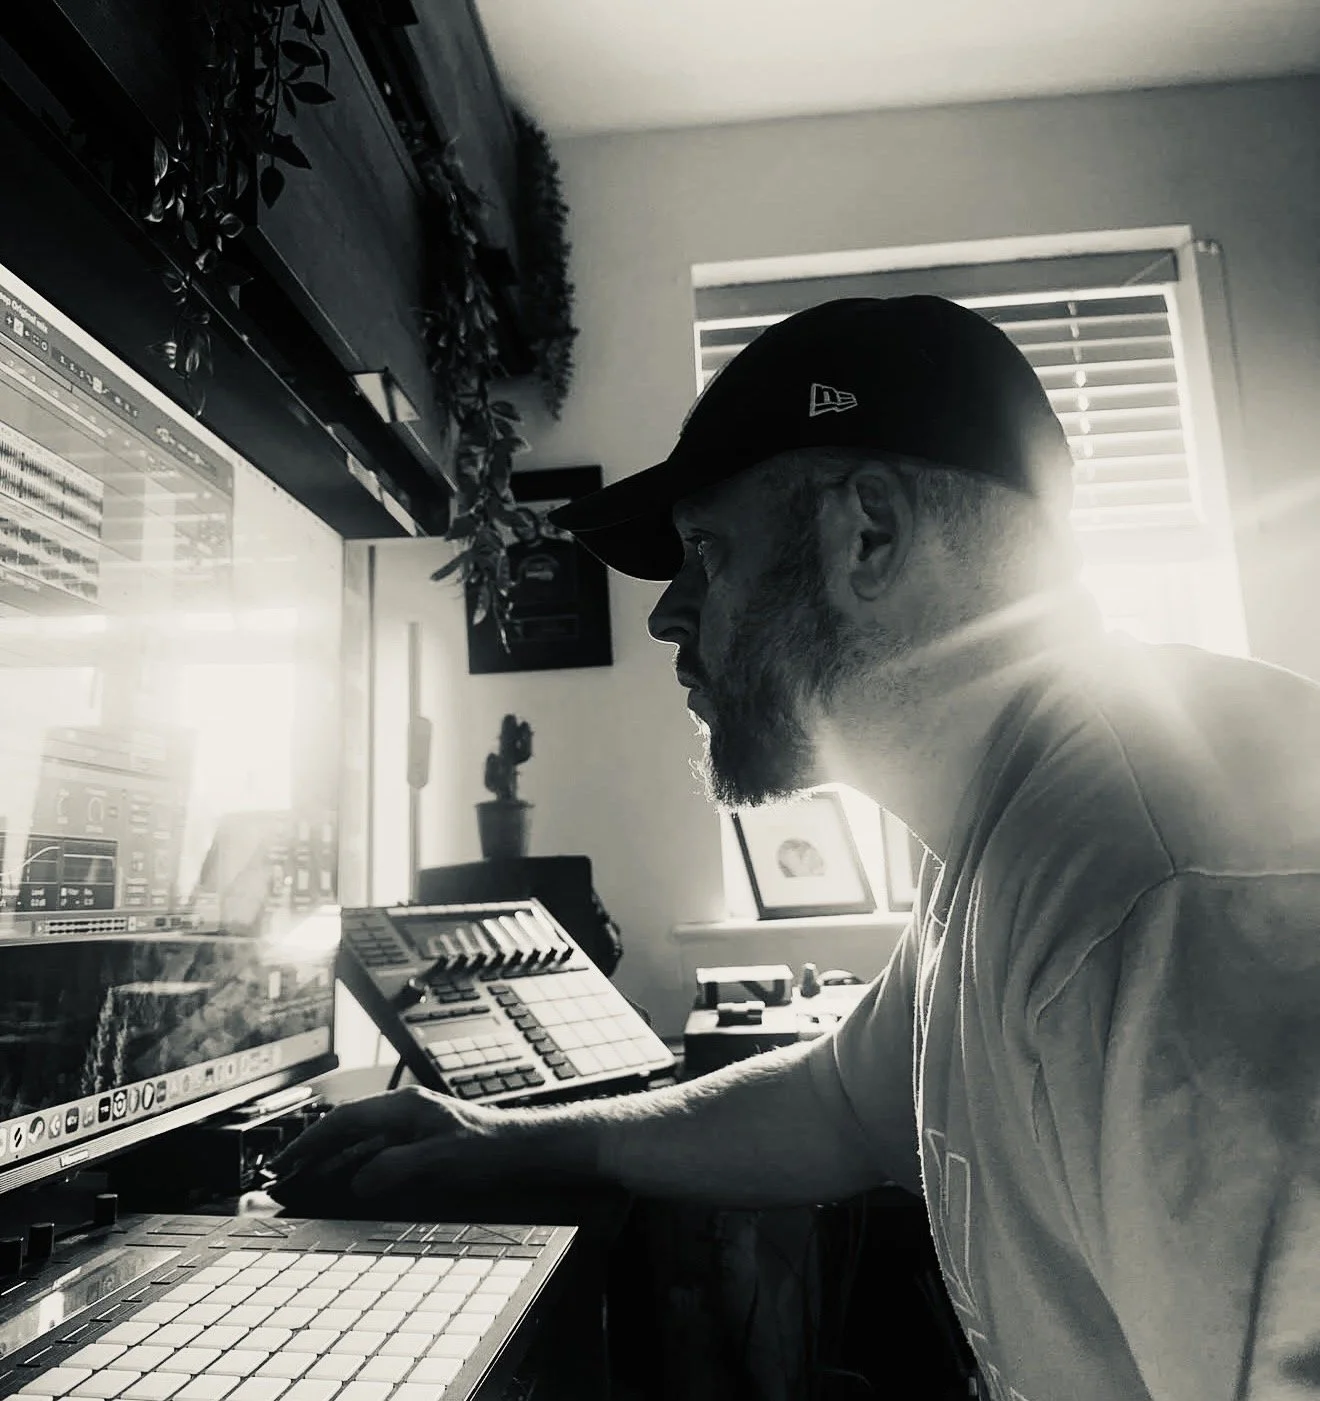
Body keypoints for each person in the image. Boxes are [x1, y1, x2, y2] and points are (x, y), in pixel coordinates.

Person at [272, 297, 1320, 1401]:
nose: (669, 616)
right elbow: (838, 1101)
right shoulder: (1010, 824)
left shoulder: (1160, 892)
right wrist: (495, 1134)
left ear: (868, 535)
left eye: (707, 555)